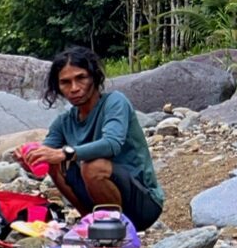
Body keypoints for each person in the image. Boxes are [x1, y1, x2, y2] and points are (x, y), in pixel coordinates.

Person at [18, 46, 165, 231]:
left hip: (144, 204)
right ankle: (91, 224)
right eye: (65, 82)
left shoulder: (114, 102)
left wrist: (65, 153)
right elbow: (47, 153)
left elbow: (112, 144)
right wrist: (29, 158)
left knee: (92, 166)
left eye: (81, 78)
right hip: (97, 199)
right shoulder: (64, 122)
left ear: (94, 77)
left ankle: (114, 231)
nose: (74, 88)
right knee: (53, 162)